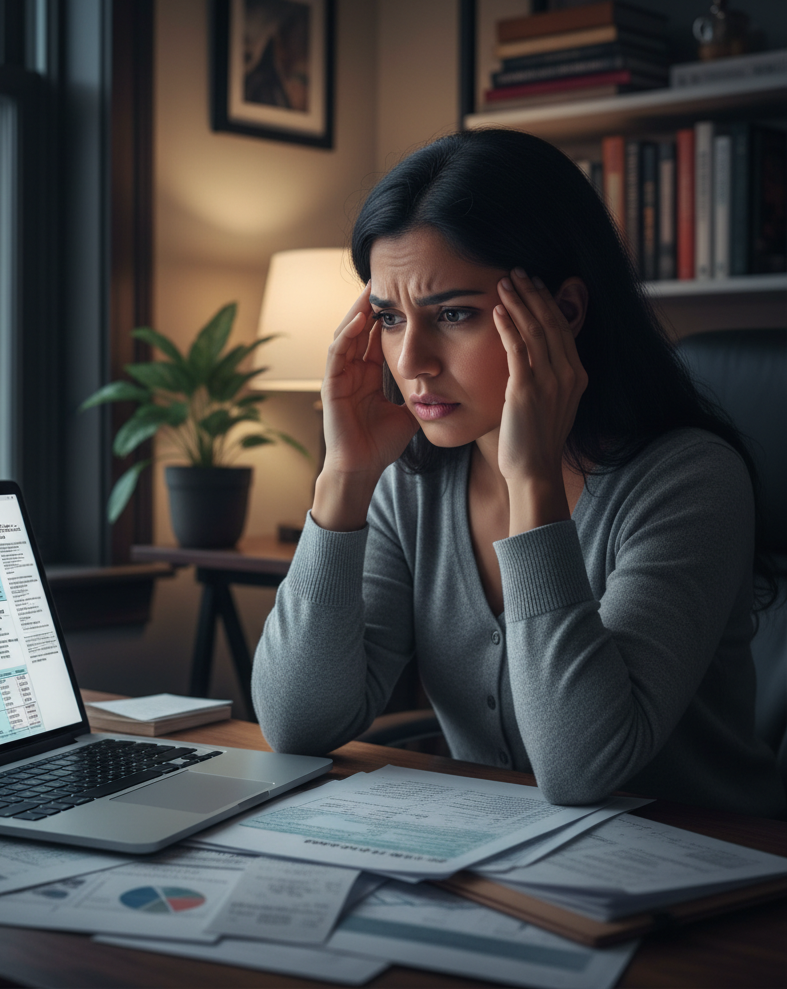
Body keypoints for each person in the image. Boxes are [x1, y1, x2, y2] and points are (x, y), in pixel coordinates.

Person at [251, 129, 785, 817]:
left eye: (453, 314)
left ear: (563, 313)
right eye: (389, 317)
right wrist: (344, 477)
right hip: (498, 858)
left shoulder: (689, 480)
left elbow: (580, 768)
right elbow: (295, 725)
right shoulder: (410, 483)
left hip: (713, 865)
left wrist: (532, 481)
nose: (410, 361)